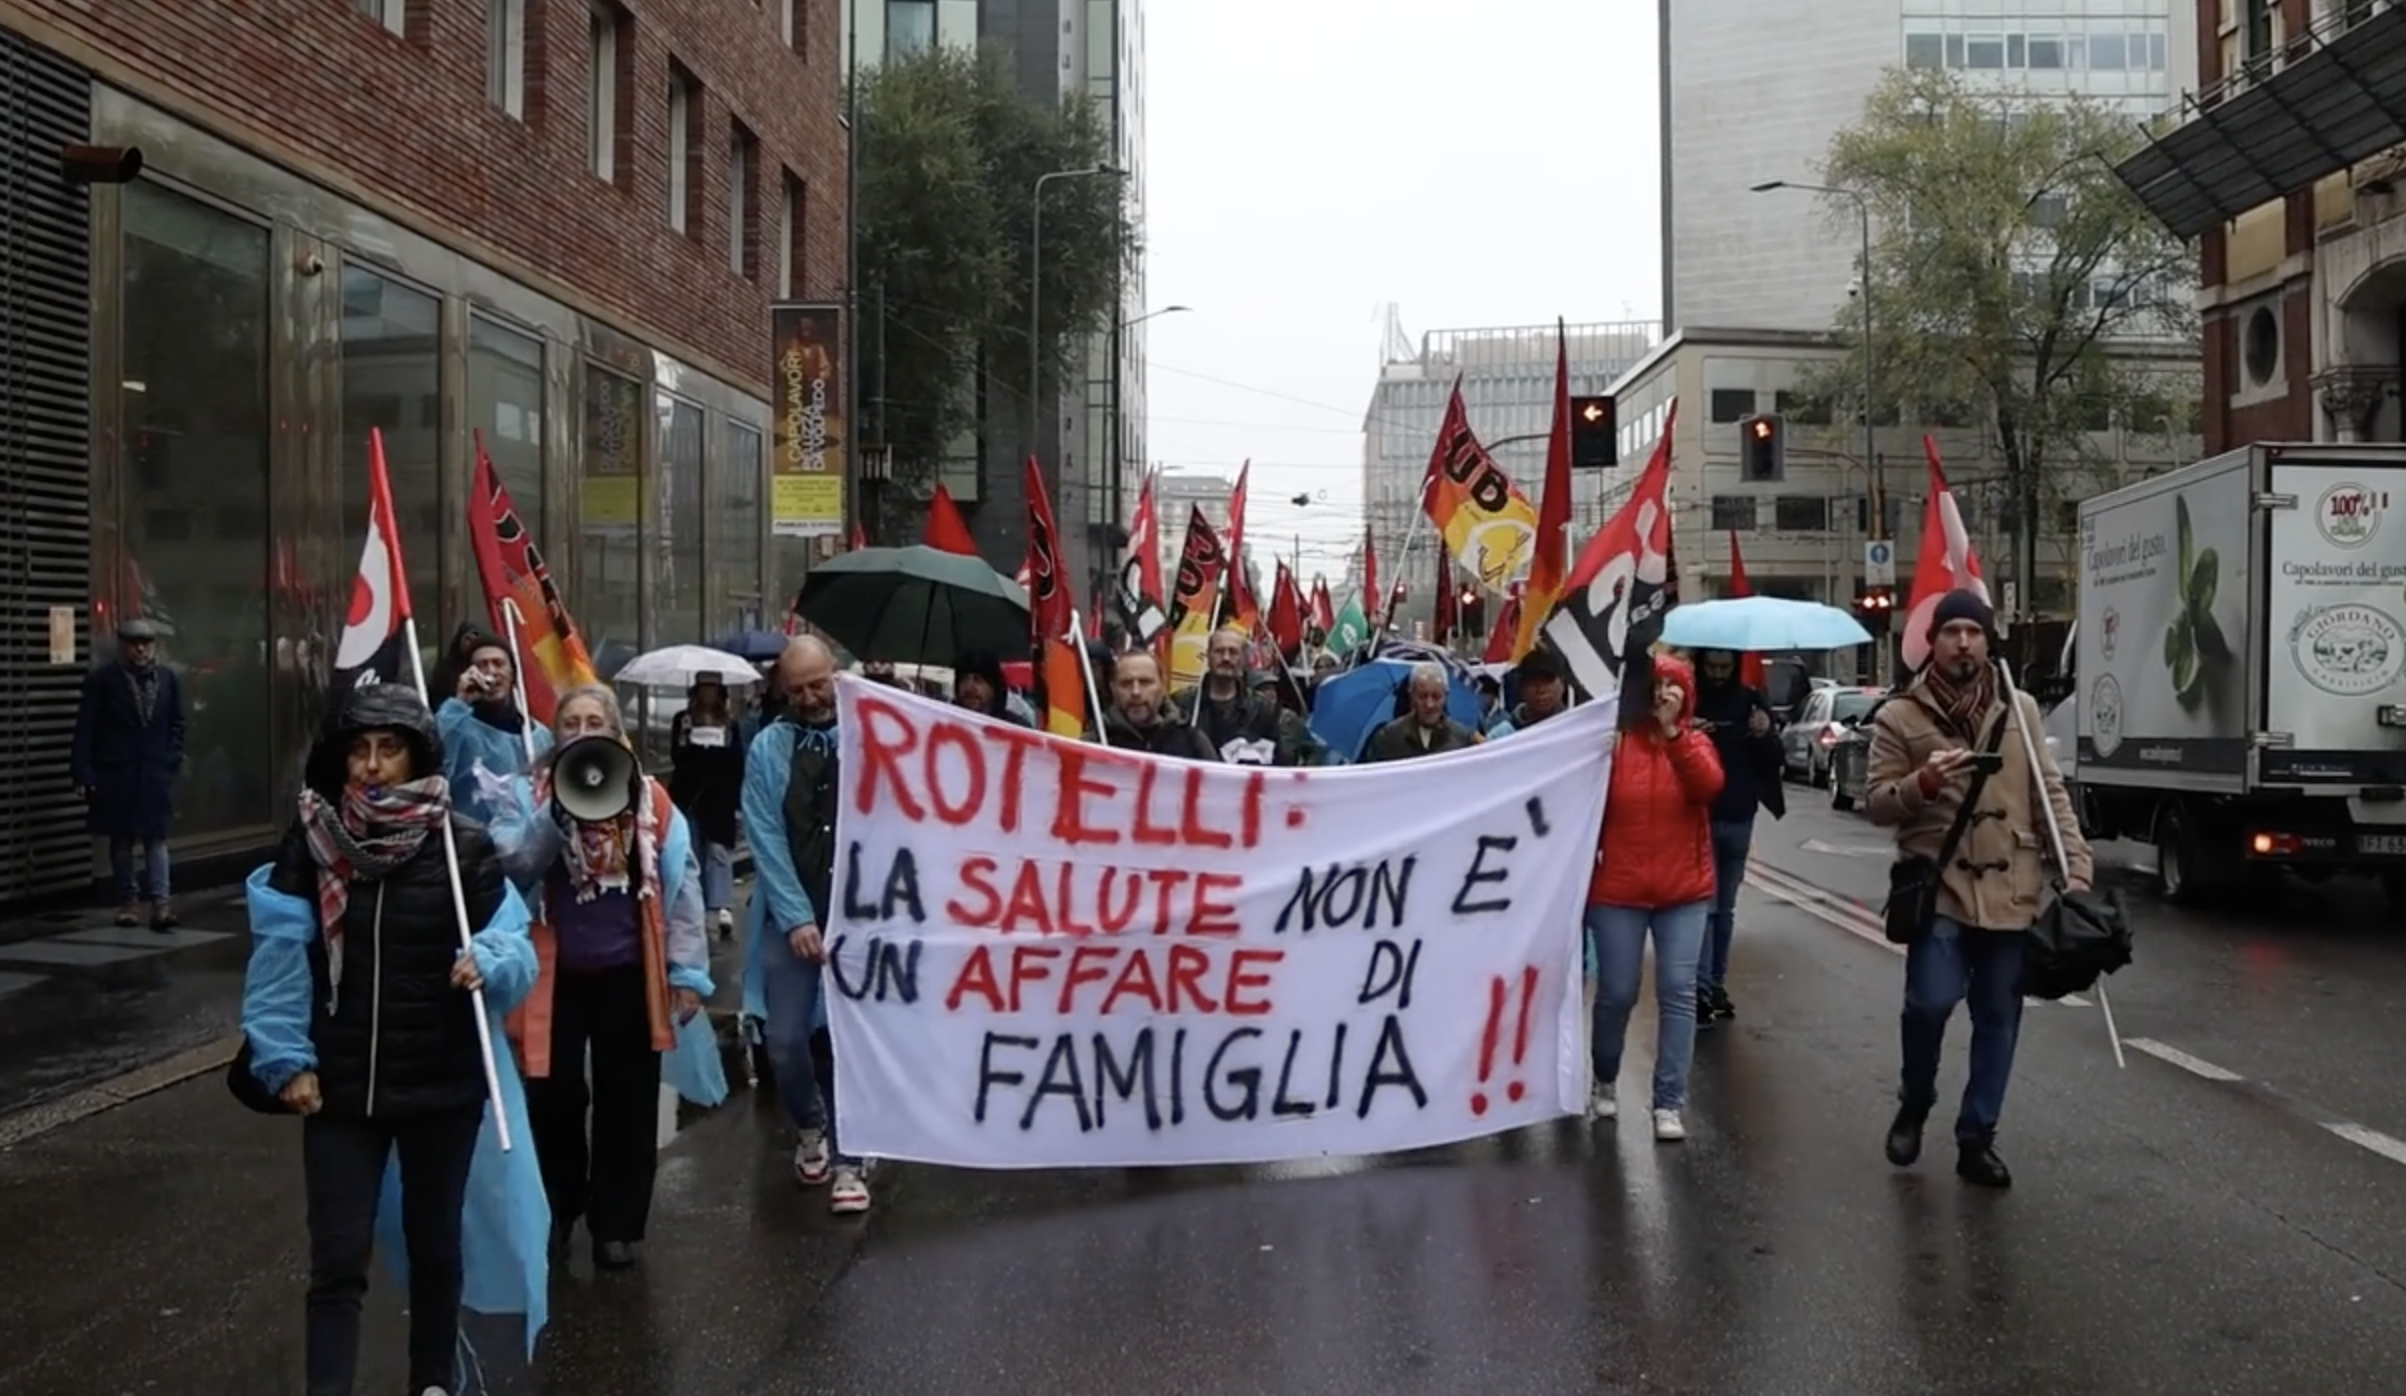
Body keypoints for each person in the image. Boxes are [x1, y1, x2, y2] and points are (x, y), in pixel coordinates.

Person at [238, 682, 536, 1396]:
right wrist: (285, 1061)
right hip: (339, 1089)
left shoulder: (462, 844)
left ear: (416, 756)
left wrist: (489, 963)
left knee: (436, 1245)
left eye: (388, 750)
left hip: (441, 1083)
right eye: (359, 751)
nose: (372, 766)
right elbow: (278, 957)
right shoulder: (310, 843)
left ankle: (431, 1381)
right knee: (337, 1258)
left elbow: (515, 944)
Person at [1865, 589, 2092, 1189]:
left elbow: (2050, 796)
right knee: (1930, 1004)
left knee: (1999, 1018)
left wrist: (2077, 865)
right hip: (1939, 888)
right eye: (1951, 631)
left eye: (1973, 631)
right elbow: (1878, 805)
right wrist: (1921, 782)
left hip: (2012, 889)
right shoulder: (1899, 715)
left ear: (1988, 642)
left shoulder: (2019, 708)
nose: (1963, 641)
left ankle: (1977, 1137)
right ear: (1932, 642)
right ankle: (1915, 1101)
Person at [489, 684, 711, 1268]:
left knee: (629, 1100)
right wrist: (554, 810)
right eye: (571, 723)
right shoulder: (527, 794)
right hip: (551, 973)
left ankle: (618, 1224)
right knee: (552, 1093)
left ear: (615, 735)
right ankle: (559, 1207)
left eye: (596, 722)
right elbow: (513, 866)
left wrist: (686, 973)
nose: (583, 731)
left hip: (629, 973)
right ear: (555, 735)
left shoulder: (652, 802)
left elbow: (683, 888)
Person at [739, 636, 871, 1214]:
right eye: (797, 690)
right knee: (786, 1041)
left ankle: (851, 1157)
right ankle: (810, 1124)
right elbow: (764, 834)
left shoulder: (871, 735)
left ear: (836, 675)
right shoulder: (769, 747)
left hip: (862, 917)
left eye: (818, 684)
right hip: (790, 919)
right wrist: (795, 916)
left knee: (851, 1045)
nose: (811, 697)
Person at [1587, 654, 1725, 1142]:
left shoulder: (1695, 743)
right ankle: (1604, 1076)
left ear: (1687, 696)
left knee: (1678, 991)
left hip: (1682, 892)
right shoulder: (1615, 747)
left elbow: (1708, 785)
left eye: (1675, 685)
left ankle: (1668, 1101)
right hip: (1619, 893)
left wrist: (1674, 737)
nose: (1665, 693)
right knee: (1618, 991)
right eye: (1657, 685)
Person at [1688, 647, 1786, 1027]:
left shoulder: (1750, 700)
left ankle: (1715, 983)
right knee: (1708, 909)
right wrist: (1688, 731)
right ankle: (1700, 988)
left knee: (1724, 910)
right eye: (1710, 666)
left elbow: (1773, 758)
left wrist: (1763, 734)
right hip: (1701, 817)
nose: (1716, 674)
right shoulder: (1689, 697)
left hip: (1740, 815)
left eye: (1724, 667)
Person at [71, 618, 186, 929]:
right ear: (123, 646)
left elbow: (177, 724)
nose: (141, 649)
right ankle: (128, 902)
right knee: (121, 840)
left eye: (146, 643)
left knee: (155, 839)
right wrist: (83, 773)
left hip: (152, 771)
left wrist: (170, 759)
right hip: (116, 771)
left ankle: (161, 905)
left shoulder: (166, 679)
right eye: (134, 643)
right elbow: (86, 729)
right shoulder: (103, 681)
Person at [434, 630, 552, 828]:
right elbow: (434, 766)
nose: (491, 671)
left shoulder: (538, 737)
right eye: (481, 665)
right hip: (469, 847)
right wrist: (460, 701)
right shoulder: (455, 724)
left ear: (512, 674)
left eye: (498, 663)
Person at [668, 674, 747, 939]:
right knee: (693, 850)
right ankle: (696, 904)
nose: (707, 694)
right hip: (690, 796)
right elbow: (677, 757)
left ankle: (722, 905)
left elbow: (737, 760)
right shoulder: (683, 720)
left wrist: (735, 798)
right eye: (703, 689)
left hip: (719, 797)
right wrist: (689, 739)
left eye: (712, 689)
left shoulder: (729, 723)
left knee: (718, 851)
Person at [1177, 625, 1300, 764]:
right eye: (1219, 651)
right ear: (1208, 655)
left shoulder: (1262, 709)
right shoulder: (1184, 705)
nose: (1226, 658)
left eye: (1233, 652)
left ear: (1242, 659)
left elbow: (1276, 762)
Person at [1092, 651, 1219, 759]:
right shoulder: (1094, 742)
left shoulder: (1192, 742)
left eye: (1145, 682)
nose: (1136, 692)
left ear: (1162, 685)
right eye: (1126, 684)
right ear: (1113, 688)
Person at [1363, 662, 1479, 762]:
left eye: (1436, 697)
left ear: (1446, 696)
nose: (1429, 704)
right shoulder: (1387, 738)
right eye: (1422, 696)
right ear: (1411, 695)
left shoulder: (1463, 740)